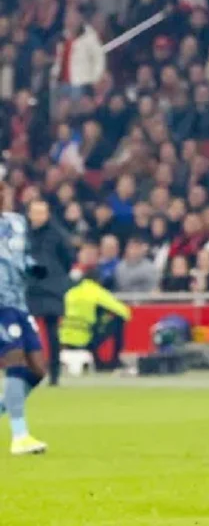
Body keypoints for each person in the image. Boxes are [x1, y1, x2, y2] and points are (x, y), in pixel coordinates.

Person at [0, 181, 50, 455]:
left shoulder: (17, 222)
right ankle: (20, 436)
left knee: (38, 370)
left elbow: (21, 255)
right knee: (15, 362)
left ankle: (6, 406)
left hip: (19, 302)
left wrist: (33, 267)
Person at [25, 199, 74, 386]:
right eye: (35, 212)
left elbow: (68, 258)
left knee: (52, 331)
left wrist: (56, 276)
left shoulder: (58, 234)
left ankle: (54, 373)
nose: (38, 216)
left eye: (42, 212)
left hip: (51, 287)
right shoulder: (23, 234)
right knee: (25, 330)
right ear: (29, 214)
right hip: (30, 287)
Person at [60, 269, 132, 371]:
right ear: (98, 280)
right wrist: (105, 317)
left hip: (64, 337)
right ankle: (114, 361)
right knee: (118, 321)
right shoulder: (97, 292)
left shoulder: (71, 292)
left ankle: (98, 360)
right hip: (85, 336)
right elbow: (125, 312)